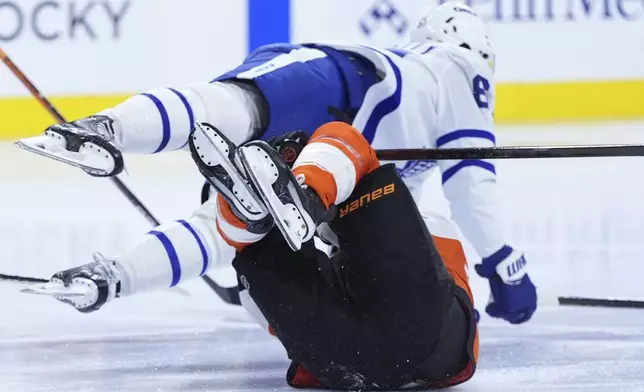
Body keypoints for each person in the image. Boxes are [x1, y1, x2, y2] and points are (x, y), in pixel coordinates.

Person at [19, 2, 536, 324]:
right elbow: (472, 187)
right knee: (235, 126)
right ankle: (113, 242)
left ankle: (114, 272)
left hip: (332, 137)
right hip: (341, 92)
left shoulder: (423, 108)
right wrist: (504, 267)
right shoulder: (458, 68)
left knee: (236, 149)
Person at [51, 121, 480, 389]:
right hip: (433, 347)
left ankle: (250, 216)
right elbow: (413, 250)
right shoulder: (430, 228)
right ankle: (305, 193)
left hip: (335, 362)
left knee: (253, 247)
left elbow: (273, 314)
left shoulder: (380, 246)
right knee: (345, 138)